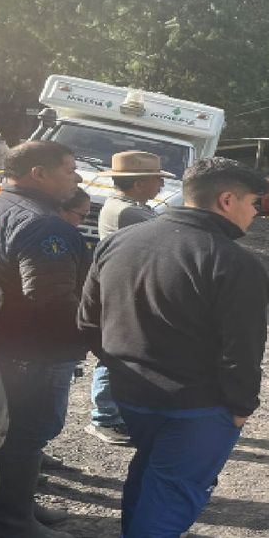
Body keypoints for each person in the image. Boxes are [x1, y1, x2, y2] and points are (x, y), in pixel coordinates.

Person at [77, 157, 269, 538]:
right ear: (227, 200)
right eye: (253, 203)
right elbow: (242, 349)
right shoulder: (232, 262)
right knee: (173, 492)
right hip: (198, 407)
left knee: (150, 471)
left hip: (132, 395)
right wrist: (241, 407)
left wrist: (125, 368)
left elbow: (88, 321)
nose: (255, 213)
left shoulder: (120, 241)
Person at [0, 141, 87, 538]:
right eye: (69, 169)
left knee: (14, 433)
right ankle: (12, 522)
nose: (76, 178)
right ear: (39, 173)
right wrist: (92, 336)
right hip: (36, 350)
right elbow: (51, 302)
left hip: (5, 338)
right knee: (27, 434)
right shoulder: (44, 224)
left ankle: (16, 504)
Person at [86, 150, 173, 446]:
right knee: (115, 354)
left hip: (123, 285)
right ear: (139, 183)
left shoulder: (124, 206)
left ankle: (112, 413)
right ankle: (105, 417)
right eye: (157, 180)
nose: (161, 186)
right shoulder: (131, 212)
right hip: (127, 288)